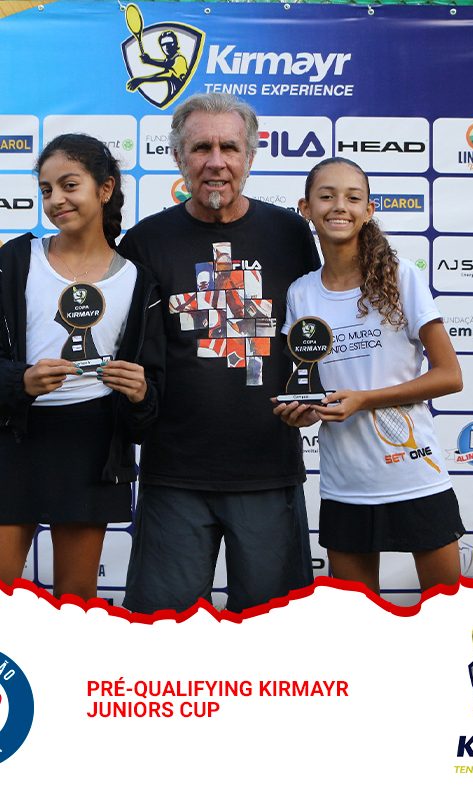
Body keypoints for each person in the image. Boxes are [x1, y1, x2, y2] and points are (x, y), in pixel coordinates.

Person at [119, 92, 320, 614]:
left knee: (274, 637)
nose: (215, 162)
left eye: (229, 147)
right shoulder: (145, 242)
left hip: (268, 469)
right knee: (163, 635)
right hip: (174, 475)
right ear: (178, 157)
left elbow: (313, 335)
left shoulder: (291, 234)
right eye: (200, 148)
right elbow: (136, 357)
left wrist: (313, 397)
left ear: (249, 156)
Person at [274, 157, 464, 595]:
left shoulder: (401, 277)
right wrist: (303, 412)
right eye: (326, 196)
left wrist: (364, 399)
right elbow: (306, 386)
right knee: (356, 625)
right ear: (306, 208)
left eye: (353, 197)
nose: (339, 206)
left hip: (415, 475)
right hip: (346, 486)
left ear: (368, 210)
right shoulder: (301, 292)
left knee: (449, 617)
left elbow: (450, 376)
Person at [0, 133, 164, 601]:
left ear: (105, 188)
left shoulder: (139, 282)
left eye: (69, 185)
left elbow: (151, 398)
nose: (56, 199)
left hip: (91, 445)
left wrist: (140, 393)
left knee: (76, 597)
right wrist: (20, 381)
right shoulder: (14, 261)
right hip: (14, 438)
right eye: (46, 189)